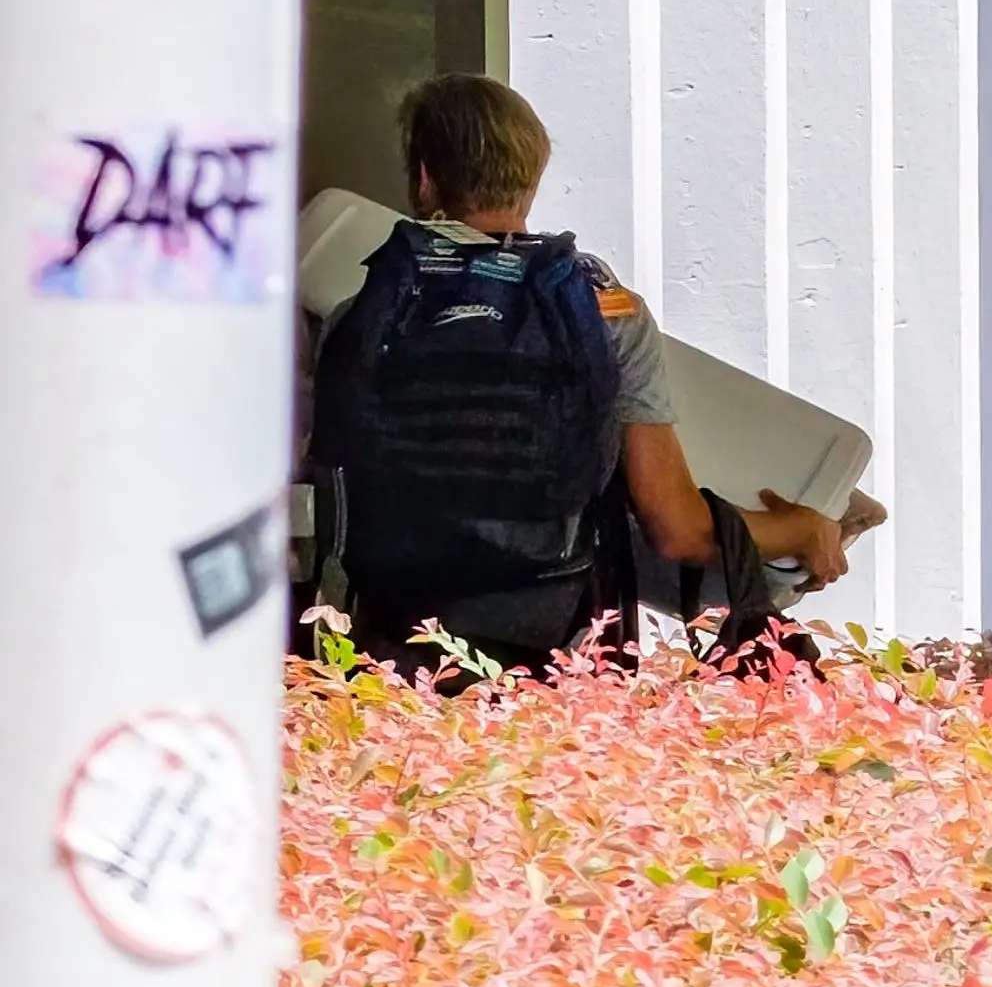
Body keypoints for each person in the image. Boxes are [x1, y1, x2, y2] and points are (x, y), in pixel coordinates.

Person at [304, 77, 854, 661]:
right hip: (549, 650)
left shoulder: (360, 318)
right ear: (532, 180)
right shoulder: (601, 311)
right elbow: (678, 529)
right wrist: (802, 531)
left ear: (424, 178)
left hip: (391, 645)